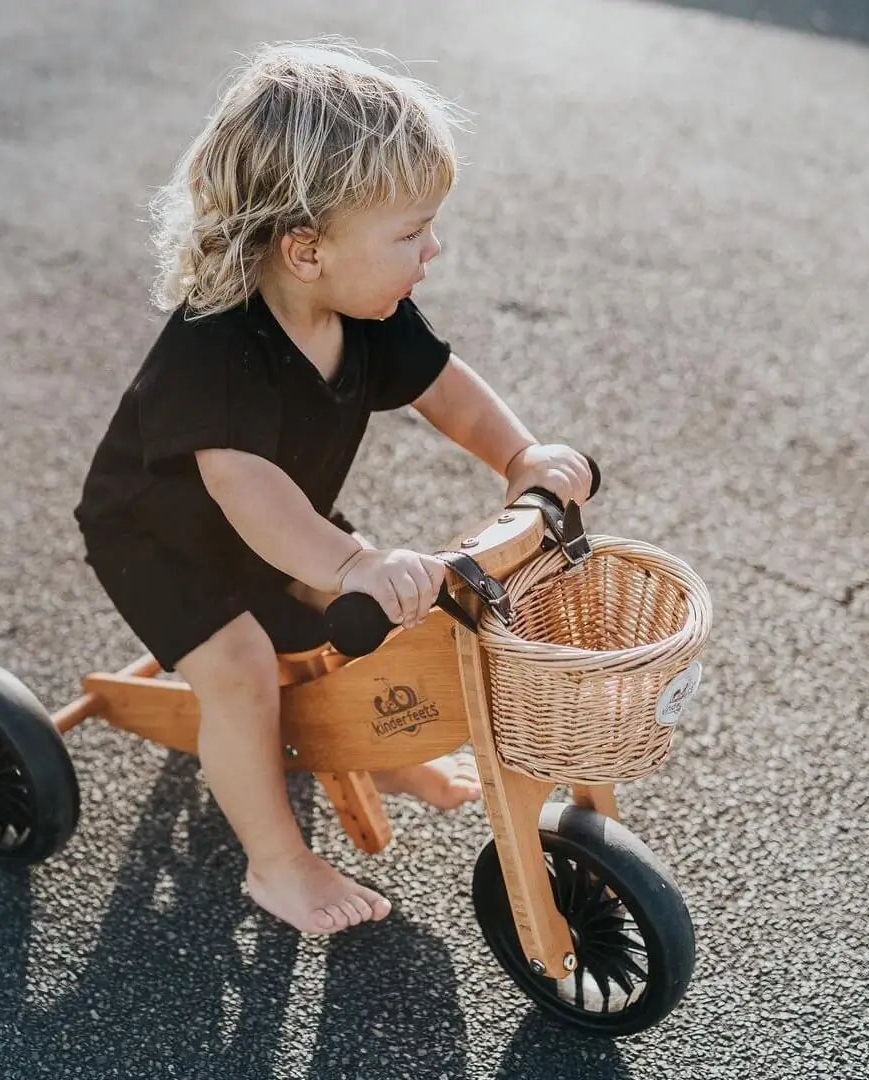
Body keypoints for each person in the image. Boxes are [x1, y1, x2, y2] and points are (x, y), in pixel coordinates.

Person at [74, 40, 592, 935]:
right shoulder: (219, 347)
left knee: (383, 616)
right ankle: (275, 864)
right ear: (305, 250)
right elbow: (245, 492)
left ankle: (377, 746)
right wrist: (349, 560)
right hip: (161, 538)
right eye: (408, 233)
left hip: (284, 520)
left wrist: (522, 457)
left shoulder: (366, 309)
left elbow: (447, 389)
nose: (432, 249)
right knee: (238, 671)